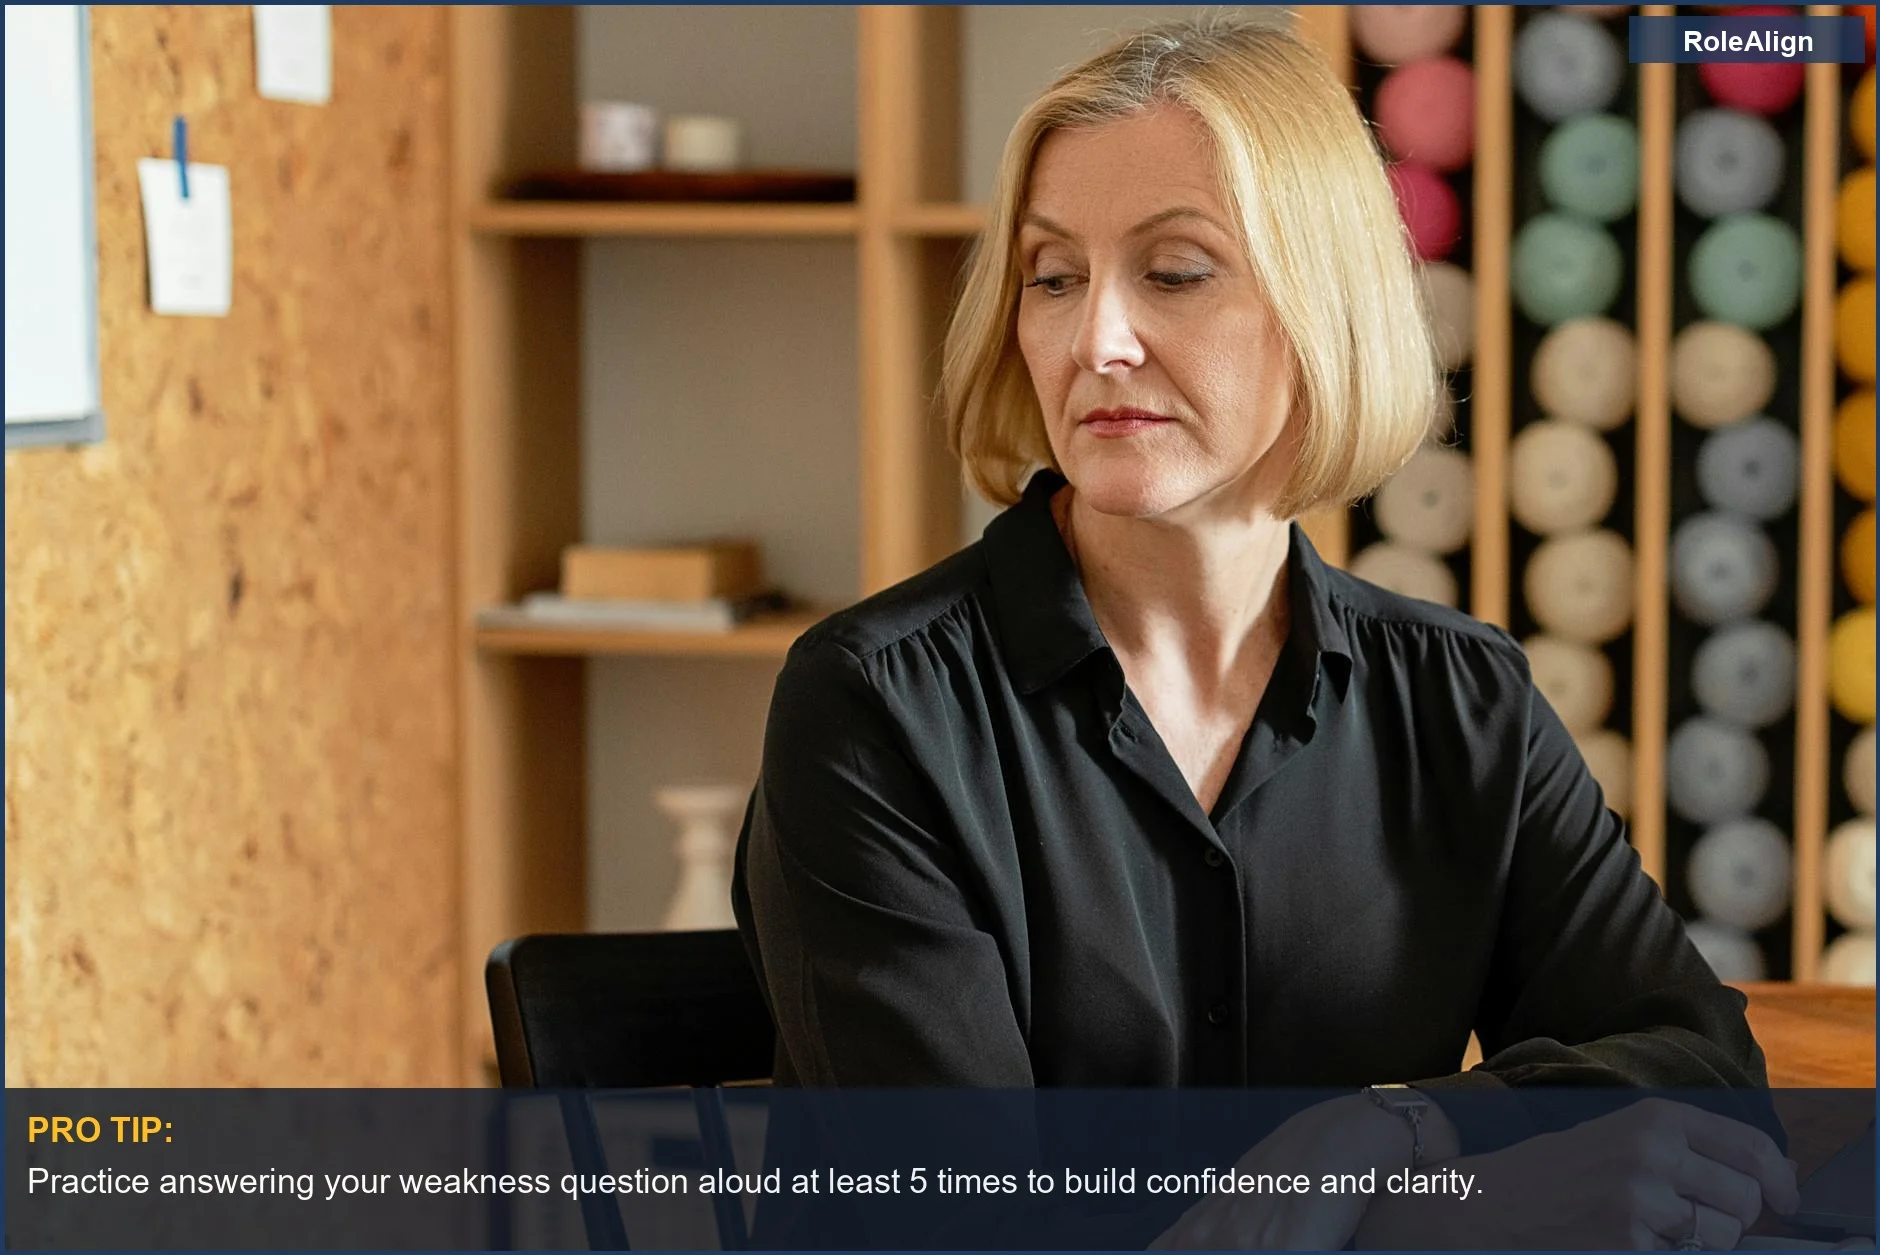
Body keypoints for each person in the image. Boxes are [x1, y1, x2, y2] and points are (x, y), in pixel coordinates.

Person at [733, 13, 1796, 1250]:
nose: (1096, 341)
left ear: (1320, 303)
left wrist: (1384, 1134)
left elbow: (1705, 1081)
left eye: (1174, 271)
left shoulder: (1458, 697)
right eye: (1053, 275)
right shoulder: (873, 708)